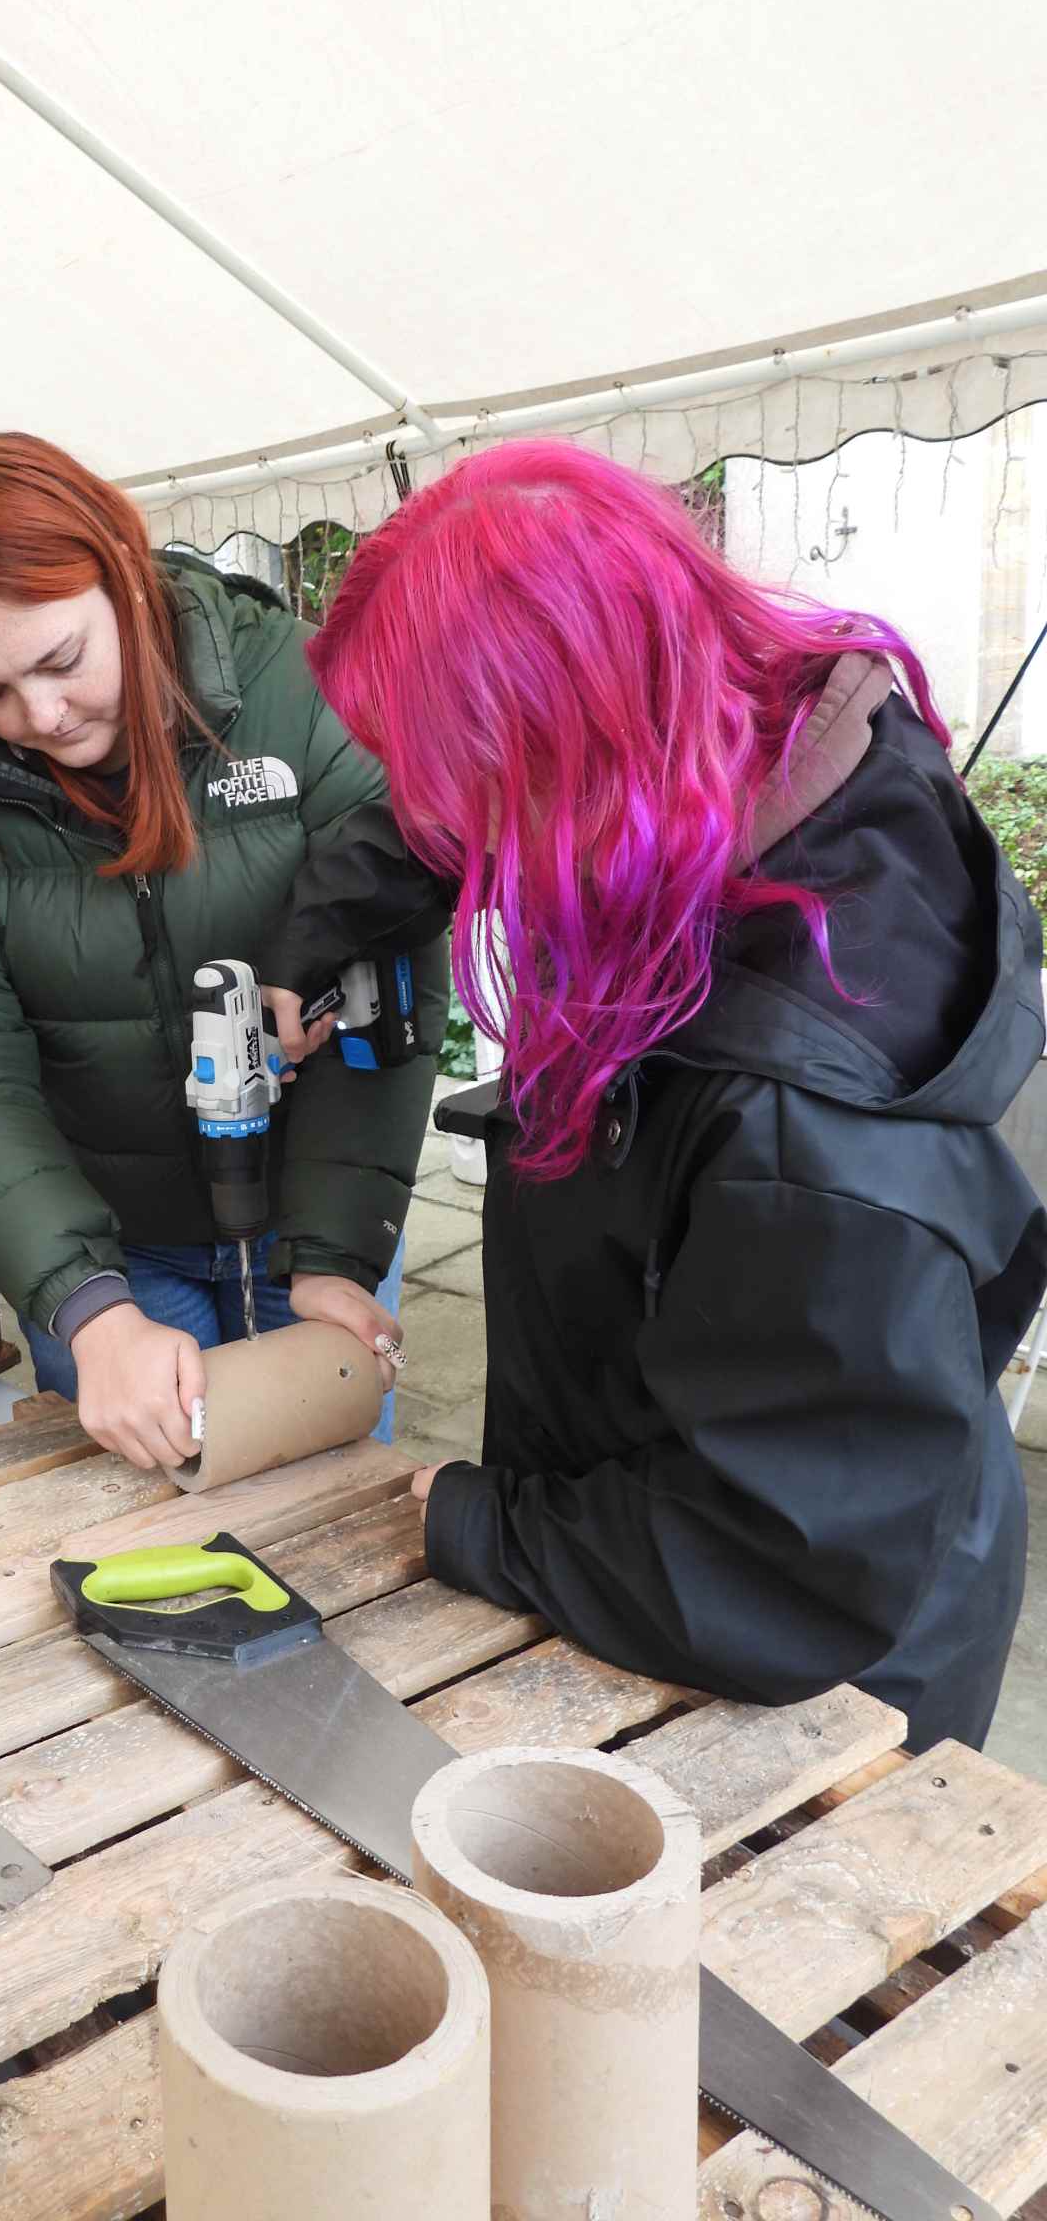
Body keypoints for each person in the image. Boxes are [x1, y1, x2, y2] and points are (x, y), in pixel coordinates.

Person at [307, 438, 1047, 1751]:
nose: (442, 823)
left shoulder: (802, 1113)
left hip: (819, 1676)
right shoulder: (720, 792)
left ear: (563, 741)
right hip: (692, 1531)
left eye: (456, 779)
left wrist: (477, 1522)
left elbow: (778, 1559)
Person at [0, 431, 448, 1473]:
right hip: (109, 1250)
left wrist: (333, 1253)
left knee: (336, 1501)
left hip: (314, 1212)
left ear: (123, 575)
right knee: (150, 1517)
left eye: (61, 661)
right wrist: (87, 1308)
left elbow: (388, 975)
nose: (40, 716)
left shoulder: (297, 688)